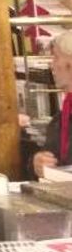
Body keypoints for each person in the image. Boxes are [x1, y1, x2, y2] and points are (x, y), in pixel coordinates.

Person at [29, 30, 72, 178]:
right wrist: (37, 163)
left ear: (70, 64)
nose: (51, 65)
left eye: (55, 57)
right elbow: (52, 157)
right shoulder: (62, 116)